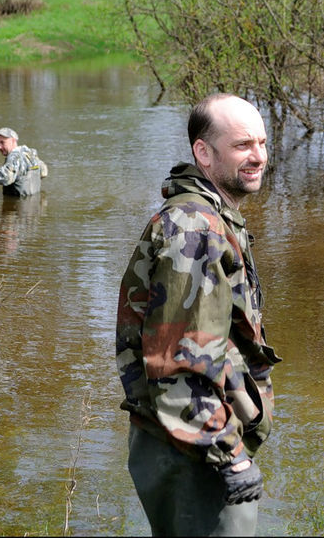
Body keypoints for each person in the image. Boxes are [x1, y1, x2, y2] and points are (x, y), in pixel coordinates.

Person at [115, 93, 280, 536]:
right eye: (243, 145)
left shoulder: (214, 217)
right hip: (192, 446)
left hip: (193, 439)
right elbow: (179, 361)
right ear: (203, 152)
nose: (259, 156)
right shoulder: (195, 227)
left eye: (263, 143)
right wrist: (232, 456)